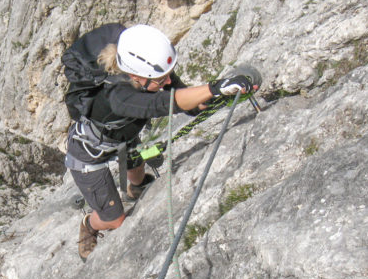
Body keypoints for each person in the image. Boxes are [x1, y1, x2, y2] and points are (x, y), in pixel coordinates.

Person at [63, 24, 257, 261]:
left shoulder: (149, 74)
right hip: (88, 154)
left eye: (167, 75)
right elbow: (166, 103)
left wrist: (220, 94)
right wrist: (212, 88)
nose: (167, 82)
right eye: (160, 78)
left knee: (137, 173)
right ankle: (90, 224)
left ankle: (136, 187)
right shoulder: (118, 97)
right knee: (114, 219)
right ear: (135, 75)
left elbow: (187, 101)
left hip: (125, 137)